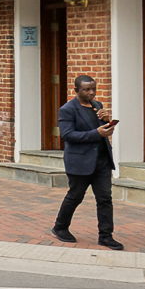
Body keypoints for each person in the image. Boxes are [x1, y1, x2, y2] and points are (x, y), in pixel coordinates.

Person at [52, 74, 123, 249]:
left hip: (102, 160)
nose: (91, 93)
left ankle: (106, 236)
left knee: (105, 198)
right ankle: (60, 227)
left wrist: (107, 123)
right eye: (86, 89)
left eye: (93, 89)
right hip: (80, 161)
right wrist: (96, 133)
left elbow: (102, 130)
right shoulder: (68, 109)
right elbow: (68, 135)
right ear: (76, 90)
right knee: (75, 196)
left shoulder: (97, 106)